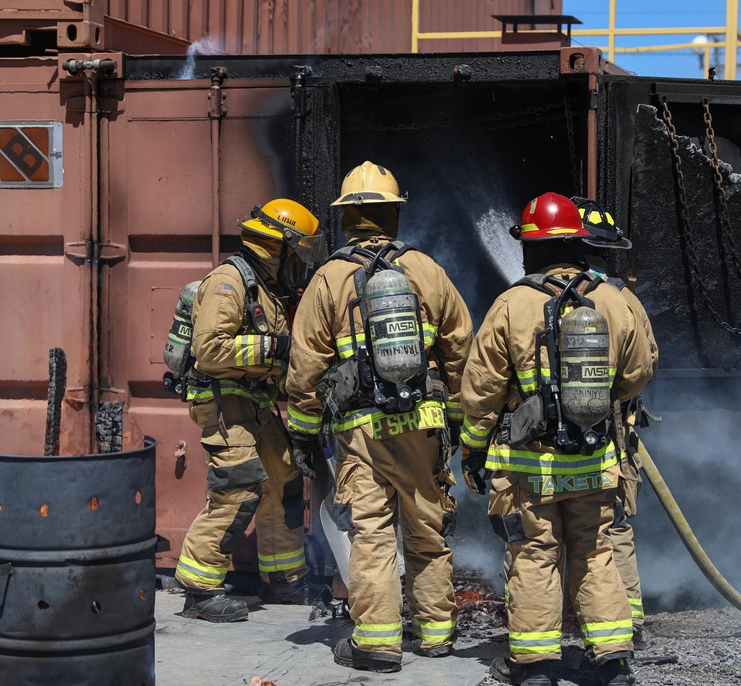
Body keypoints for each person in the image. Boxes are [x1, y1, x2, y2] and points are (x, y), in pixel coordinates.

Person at [284, 161, 473, 673]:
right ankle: (437, 634)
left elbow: (305, 369)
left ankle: (379, 643)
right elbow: (461, 349)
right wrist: (456, 419)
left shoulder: (329, 279)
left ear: (346, 218)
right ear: (393, 215)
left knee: (371, 532)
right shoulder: (427, 270)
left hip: (362, 430)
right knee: (427, 529)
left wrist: (302, 434)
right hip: (424, 424)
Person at [459, 192, 654, 686]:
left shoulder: (512, 304)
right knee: (595, 551)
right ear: (578, 242)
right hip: (594, 461)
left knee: (534, 554)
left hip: (531, 470)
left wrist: (473, 450)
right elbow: (640, 370)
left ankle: (536, 665)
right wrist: (604, 401)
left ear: (530, 247)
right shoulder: (614, 299)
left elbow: (481, 389)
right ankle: (611, 660)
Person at [175, 198, 332, 622]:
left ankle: (284, 579)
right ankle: (199, 590)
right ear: (276, 245)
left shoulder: (265, 287)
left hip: (254, 402)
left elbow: (275, 363)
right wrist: (273, 346)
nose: (299, 259)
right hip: (224, 403)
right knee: (238, 488)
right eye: (296, 248)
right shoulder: (228, 282)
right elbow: (209, 350)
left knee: (283, 482)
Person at [575, 197, 660, 649]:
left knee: (544, 531)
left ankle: (549, 623)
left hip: (548, 439)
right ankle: (628, 624)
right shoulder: (624, 300)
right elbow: (646, 363)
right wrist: (614, 402)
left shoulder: (544, 295)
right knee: (613, 524)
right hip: (613, 432)